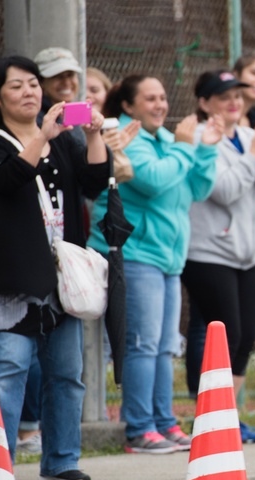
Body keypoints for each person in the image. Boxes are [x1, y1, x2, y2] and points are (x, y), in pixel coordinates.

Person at [0, 55, 110, 480]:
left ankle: (61, 460)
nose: (29, 92)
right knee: (9, 371)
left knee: (67, 374)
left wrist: (93, 136)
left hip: (62, 279)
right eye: (16, 86)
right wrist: (41, 136)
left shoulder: (64, 141)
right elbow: (7, 179)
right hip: (14, 280)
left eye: (34, 84)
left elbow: (94, 184)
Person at [87, 74, 221, 453]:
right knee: (143, 343)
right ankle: (139, 428)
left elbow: (197, 189)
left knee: (164, 345)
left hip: (168, 258)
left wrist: (205, 150)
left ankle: (163, 422)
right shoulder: (135, 142)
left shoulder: (166, 141)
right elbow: (156, 182)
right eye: (150, 98)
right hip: (136, 253)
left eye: (163, 97)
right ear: (128, 106)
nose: (160, 104)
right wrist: (184, 147)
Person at [181, 70, 255, 443]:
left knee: (243, 340)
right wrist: (253, 158)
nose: (234, 102)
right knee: (224, 333)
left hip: (249, 253)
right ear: (204, 102)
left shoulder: (247, 136)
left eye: (238, 96)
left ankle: (230, 415)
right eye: (224, 96)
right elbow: (221, 190)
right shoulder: (197, 138)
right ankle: (206, 415)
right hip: (209, 253)